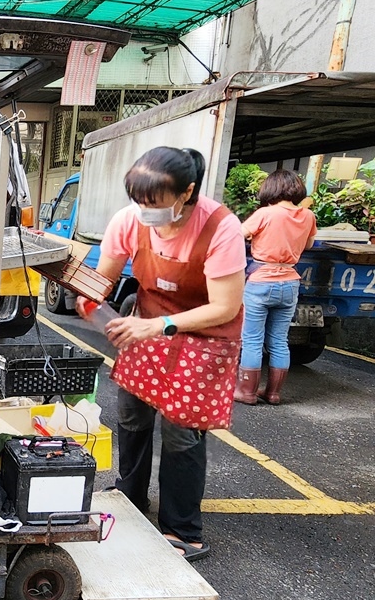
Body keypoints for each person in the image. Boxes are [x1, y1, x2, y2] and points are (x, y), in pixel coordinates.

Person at [93, 147, 245, 562]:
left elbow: (225, 306)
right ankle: (131, 497)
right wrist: (88, 297)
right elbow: (102, 278)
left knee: (182, 429)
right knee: (132, 415)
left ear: (186, 192)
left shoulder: (220, 228)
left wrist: (156, 327)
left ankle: (183, 530)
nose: (144, 211)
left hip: (204, 337)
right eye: (138, 201)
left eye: (154, 202)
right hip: (146, 327)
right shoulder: (129, 221)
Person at [234, 169, 317, 405]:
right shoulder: (308, 216)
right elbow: (309, 243)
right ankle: (273, 393)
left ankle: (247, 392)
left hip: (261, 279)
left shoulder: (265, 213)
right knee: (279, 340)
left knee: (252, 339)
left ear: (271, 188)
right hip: (290, 282)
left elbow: (238, 235)